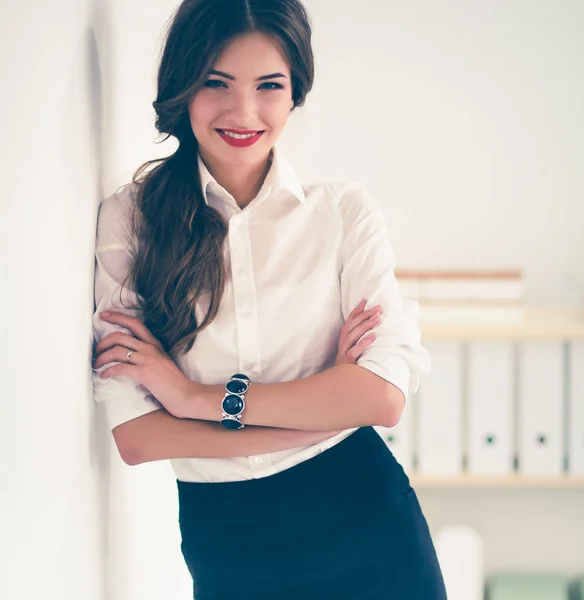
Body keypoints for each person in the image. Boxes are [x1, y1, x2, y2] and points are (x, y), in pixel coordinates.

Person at [91, 0, 446, 598]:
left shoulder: (342, 214)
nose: (244, 111)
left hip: (367, 521)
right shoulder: (133, 220)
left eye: (269, 86)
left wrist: (191, 396)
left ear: (295, 93)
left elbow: (381, 400)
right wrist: (321, 410)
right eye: (216, 83)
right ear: (183, 86)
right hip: (229, 542)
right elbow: (138, 438)